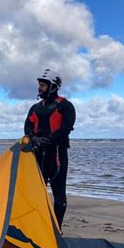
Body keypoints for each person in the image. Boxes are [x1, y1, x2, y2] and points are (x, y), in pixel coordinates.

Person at [24, 69, 76, 229]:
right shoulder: (35, 108)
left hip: (57, 156)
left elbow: (67, 127)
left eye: (43, 85)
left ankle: (57, 229)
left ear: (53, 86)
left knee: (59, 195)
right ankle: (39, 227)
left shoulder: (66, 106)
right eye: (39, 85)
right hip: (38, 154)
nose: (40, 88)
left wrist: (51, 139)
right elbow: (27, 126)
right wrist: (34, 138)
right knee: (36, 193)